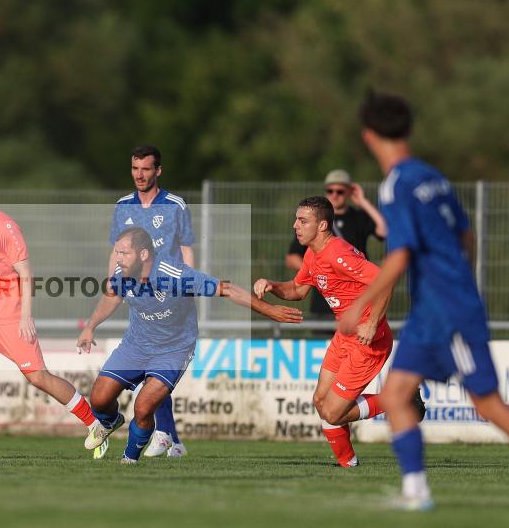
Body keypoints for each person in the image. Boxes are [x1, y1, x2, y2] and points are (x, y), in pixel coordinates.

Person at [340, 90, 509, 509]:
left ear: (369, 137)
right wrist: (459, 279)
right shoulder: (433, 177)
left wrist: (361, 304)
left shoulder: (396, 185)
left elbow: (401, 253)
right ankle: (415, 491)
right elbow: (467, 236)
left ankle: (416, 489)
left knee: (488, 405)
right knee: (395, 395)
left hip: (446, 309)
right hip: (436, 307)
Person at [77, 227, 302, 464]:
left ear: (143, 254)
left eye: (124, 253)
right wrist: (91, 326)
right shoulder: (122, 273)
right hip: (136, 344)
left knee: (144, 407)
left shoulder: (173, 274)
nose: (118, 258)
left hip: (173, 349)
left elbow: (226, 289)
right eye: (117, 253)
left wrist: (270, 310)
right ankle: (111, 422)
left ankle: (129, 459)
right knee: (99, 399)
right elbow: (112, 295)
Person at [0, 158, 111, 456]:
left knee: (38, 377)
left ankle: (95, 423)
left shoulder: (4, 226)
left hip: (9, 315)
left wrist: (25, 316)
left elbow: (26, 273)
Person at [255, 196, 423, 467]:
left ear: (322, 225)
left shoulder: (338, 254)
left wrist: (371, 322)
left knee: (333, 413)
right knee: (321, 402)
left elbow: (385, 279)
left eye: (302, 220)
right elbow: (297, 291)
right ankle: (349, 465)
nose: (295, 225)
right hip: (345, 336)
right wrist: (272, 285)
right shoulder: (313, 254)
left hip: (368, 340)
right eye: (296, 219)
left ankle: (398, 400)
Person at [104, 145, 194, 459]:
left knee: (158, 365)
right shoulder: (123, 205)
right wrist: (111, 282)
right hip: (139, 296)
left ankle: (166, 434)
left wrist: (187, 289)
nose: (139, 175)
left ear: (158, 170)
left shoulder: (175, 205)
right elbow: (116, 251)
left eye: (146, 169)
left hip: (169, 298)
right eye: (135, 168)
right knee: (151, 365)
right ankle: (169, 436)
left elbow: (186, 250)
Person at [284, 169, 387, 324]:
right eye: (330, 190)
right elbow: (291, 257)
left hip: (355, 303)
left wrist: (364, 203)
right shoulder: (309, 222)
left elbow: (384, 231)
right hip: (324, 299)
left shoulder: (358, 217)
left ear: (349, 192)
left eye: (340, 191)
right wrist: (318, 274)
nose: (334, 195)